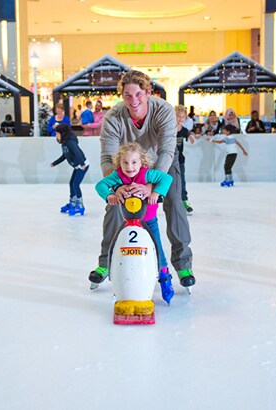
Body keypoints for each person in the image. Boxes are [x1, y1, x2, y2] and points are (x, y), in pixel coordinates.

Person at [90, 69, 195, 290]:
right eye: (127, 95)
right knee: (115, 203)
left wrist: (151, 186)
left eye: (138, 94)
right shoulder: (113, 117)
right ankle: (105, 262)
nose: (133, 100)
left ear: (148, 92)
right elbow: (107, 157)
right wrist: (116, 188)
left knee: (174, 201)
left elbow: (167, 150)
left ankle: (183, 264)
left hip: (162, 162)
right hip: (130, 164)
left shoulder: (163, 110)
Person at [95, 142, 175, 303]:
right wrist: (109, 195)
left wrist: (156, 192)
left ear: (141, 162)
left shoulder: (147, 174)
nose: (129, 167)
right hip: (127, 222)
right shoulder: (118, 176)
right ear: (119, 162)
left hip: (149, 220)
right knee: (117, 246)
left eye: (133, 162)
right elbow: (100, 185)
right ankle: (117, 278)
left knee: (157, 247)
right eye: (125, 162)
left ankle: (165, 277)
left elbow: (166, 178)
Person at [51, 123, 90, 215]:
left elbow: (77, 152)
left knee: (76, 184)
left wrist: (82, 163)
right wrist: (55, 163)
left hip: (82, 165)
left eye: (57, 133)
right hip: (78, 166)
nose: (56, 136)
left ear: (63, 133)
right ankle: (72, 203)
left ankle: (80, 206)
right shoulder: (64, 143)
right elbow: (65, 155)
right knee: (71, 183)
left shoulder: (70, 142)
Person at [175, 105, 194, 212]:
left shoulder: (185, 131)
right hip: (168, 160)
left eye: (183, 117)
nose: (181, 119)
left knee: (182, 180)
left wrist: (192, 137)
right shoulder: (169, 129)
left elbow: (190, 137)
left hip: (180, 159)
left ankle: (184, 200)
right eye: (178, 116)